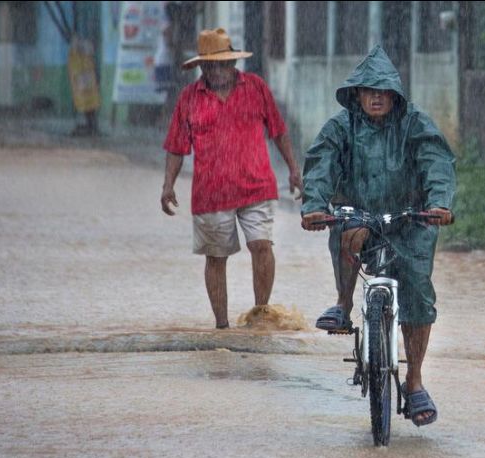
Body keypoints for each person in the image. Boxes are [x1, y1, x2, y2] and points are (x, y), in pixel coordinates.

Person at [300, 46, 456, 427]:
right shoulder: (341, 127)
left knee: (418, 289)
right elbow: (320, 164)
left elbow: (437, 162)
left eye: (383, 91)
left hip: (411, 220)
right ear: (356, 93)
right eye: (368, 89)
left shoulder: (416, 124)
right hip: (361, 215)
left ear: (395, 95)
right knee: (347, 230)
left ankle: (415, 380)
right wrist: (314, 205)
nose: (375, 97)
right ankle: (342, 302)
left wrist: (439, 202)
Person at [161, 28, 302, 329]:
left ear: (233, 64)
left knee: (261, 245)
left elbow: (278, 130)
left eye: (225, 63)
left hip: (257, 185)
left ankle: (260, 316)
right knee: (215, 257)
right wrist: (168, 185)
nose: (220, 70)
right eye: (213, 65)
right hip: (211, 193)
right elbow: (176, 147)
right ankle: (222, 327)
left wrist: (293, 169)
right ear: (203, 67)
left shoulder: (256, 87)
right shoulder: (189, 98)